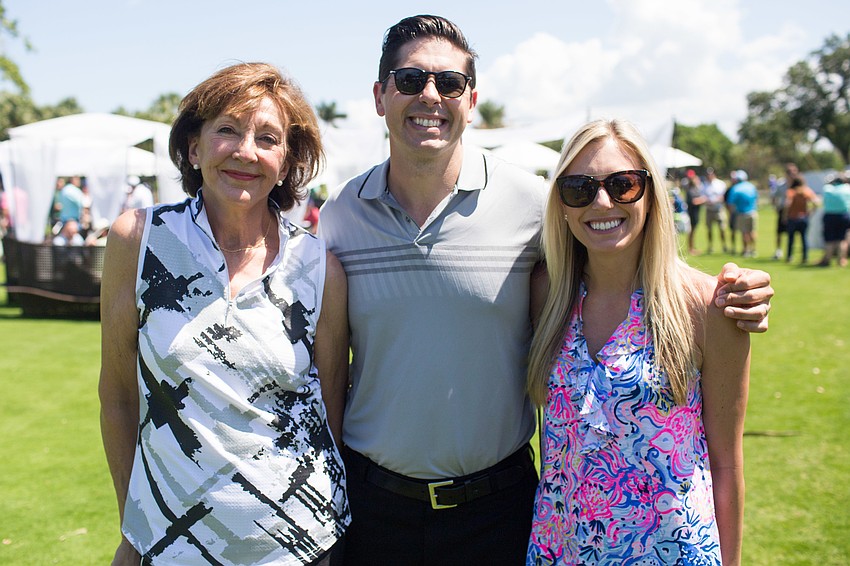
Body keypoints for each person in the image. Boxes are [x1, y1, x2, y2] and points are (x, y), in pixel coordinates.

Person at [318, 14, 773, 565]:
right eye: (411, 80)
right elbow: (329, 368)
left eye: (450, 83)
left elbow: (622, 262)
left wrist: (728, 292)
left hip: (497, 509)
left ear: (472, 98)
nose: (430, 96)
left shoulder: (533, 202)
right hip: (377, 506)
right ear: (379, 94)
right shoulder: (341, 212)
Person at [99, 62, 350, 565]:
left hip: (297, 545)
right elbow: (119, 397)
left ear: (286, 161)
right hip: (170, 545)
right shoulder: (139, 240)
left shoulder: (318, 266)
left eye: (267, 138)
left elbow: (330, 416)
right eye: (228, 131)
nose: (245, 151)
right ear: (194, 148)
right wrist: (135, 527)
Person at [527, 119, 750, 565]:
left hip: (673, 553)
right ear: (562, 205)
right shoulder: (545, 294)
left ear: (651, 195)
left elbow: (726, 464)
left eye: (623, 184)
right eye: (579, 188)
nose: (602, 201)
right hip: (560, 551)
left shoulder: (706, 306)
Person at [784, 175, 820, 264]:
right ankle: (804, 258)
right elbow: (816, 202)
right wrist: (810, 212)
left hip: (792, 218)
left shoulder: (791, 192)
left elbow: (787, 205)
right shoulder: (806, 192)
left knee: (791, 239)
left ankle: (789, 257)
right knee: (804, 238)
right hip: (803, 218)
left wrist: (784, 216)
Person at [817, 173, 850, 267]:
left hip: (830, 216)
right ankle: (841, 260)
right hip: (844, 216)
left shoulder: (827, 188)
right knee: (842, 239)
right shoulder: (847, 188)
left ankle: (827, 259)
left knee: (829, 239)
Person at [726, 170, 759, 257]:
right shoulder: (752, 186)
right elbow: (756, 199)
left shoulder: (735, 188)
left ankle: (746, 250)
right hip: (753, 212)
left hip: (741, 213)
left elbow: (730, 203)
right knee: (752, 231)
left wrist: (731, 213)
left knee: (744, 232)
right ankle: (754, 249)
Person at [771, 163, 798, 259]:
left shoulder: (798, 183)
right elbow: (774, 196)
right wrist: (775, 207)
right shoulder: (781, 184)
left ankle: (790, 253)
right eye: (791, 172)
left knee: (792, 233)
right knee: (780, 232)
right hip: (782, 210)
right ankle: (778, 251)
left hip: (794, 211)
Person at [703, 167, 730, 254]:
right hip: (709, 209)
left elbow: (723, 196)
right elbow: (703, 196)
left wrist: (716, 200)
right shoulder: (704, 185)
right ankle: (710, 246)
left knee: (722, 228)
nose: (709, 176)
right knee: (709, 229)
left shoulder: (720, 184)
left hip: (719, 209)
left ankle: (724, 246)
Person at [683, 168, 705, 254]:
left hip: (695, 212)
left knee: (693, 230)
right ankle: (691, 248)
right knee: (691, 231)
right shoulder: (690, 189)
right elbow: (694, 201)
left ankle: (692, 247)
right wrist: (703, 199)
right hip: (692, 212)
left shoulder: (695, 187)